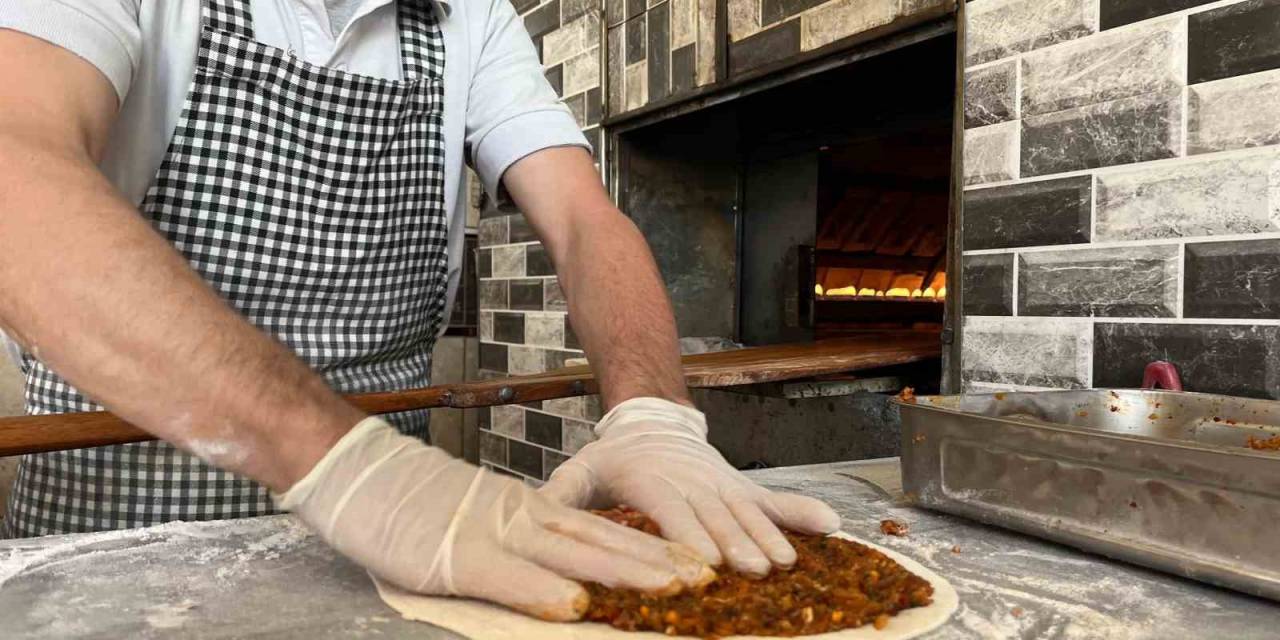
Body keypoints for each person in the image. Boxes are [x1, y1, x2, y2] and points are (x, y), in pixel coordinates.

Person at [0, 0, 840, 621]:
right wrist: (350, 468)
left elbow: (585, 221)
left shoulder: (469, 19)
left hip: (403, 553)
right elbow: (14, 175)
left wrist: (654, 409)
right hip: (119, 522)